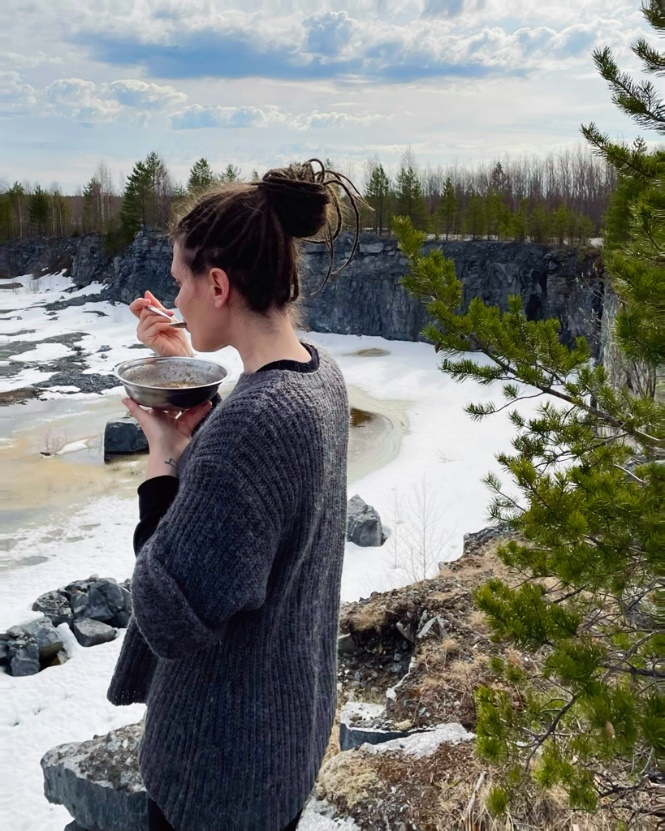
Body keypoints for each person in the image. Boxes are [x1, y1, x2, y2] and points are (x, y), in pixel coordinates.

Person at [107, 160, 361, 831]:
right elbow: (252, 504)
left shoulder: (255, 423)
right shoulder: (318, 376)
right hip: (279, 738)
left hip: (219, 772)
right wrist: (178, 365)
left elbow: (167, 612)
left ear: (217, 284)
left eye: (180, 282)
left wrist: (163, 460)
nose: (175, 299)